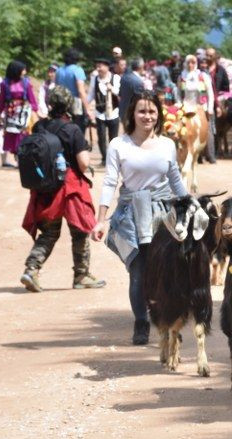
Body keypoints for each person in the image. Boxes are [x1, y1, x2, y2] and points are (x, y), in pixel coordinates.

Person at [91, 90, 188, 345]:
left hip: (162, 215)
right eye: (142, 111)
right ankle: (141, 322)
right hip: (131, 215)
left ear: (159, 114)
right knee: (139, 272)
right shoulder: (118, 145)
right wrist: (101, 219)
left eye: (152, 111)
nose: (147, 116)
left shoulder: (167, 144)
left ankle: (165, 320)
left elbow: (176, 180)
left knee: (167, 272)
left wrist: (191, 207)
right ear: (132, 114)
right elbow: (110, 182)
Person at [19, 85, 104, 293]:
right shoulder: (72, 129)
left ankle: (31, 269)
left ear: (49, 103)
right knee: (80, 232)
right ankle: (81, 275)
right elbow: (83, 163)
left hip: (45, 187)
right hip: (69, 187)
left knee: (48, 233)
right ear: (68, 105)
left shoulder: (39, 126)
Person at [0, 60, 39, 167]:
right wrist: (0, 112)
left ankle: (22, 159)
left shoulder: (26, 82)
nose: (25, 71)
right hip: (11, 114)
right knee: (12, 135)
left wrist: (35, 108)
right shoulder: (5, 83)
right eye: (23, 69)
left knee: (23, 135)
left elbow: (31, 97)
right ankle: (17, 158)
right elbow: (2, 99)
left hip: (23, 113)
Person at [178, 54, 215, 163]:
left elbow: (210, 93)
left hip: (200, 107)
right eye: (188, 62)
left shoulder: (202, 76)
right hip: (186, 107)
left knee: (206, 130)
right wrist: (179, 104)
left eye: (193, 62)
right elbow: (178, 92)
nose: (190, 65)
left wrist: (210, 108)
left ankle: (210, 155)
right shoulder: (182, 76)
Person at [90, 58, 121, 164]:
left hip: (113, 112)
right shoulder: (94, 79)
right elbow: (91, 94)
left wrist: (110, 88)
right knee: (101, 137)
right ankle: (104, 158)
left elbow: (117, 92)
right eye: (97, 66)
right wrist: (86, 106)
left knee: (113, 139)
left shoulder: (115, 78)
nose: (98, 69)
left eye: (100, 66)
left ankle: (113, 160)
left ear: (107, 67)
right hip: (100, 113)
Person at [56, 48, 94, 133]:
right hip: (75, 104)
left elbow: (57, 87)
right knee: (77, 130)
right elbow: (81, 91)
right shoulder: (78, 70)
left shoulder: (59, 70)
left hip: (62, 103)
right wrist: (87, 109)